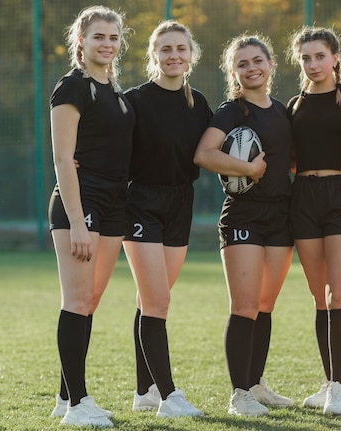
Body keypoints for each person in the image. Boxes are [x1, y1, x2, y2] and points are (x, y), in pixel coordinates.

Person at [193, 34, 294, 417]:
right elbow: (204, 154)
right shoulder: (231, 111)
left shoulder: (283, 111)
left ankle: (256, 384)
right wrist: (248, 169)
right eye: (242, 63)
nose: (251, 68)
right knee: (245, 305)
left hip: (281, 216)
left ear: (271, 65)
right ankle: (239, 394)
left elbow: (292, 161)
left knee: (265, 306)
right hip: (243, 216)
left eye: (257, 61)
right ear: (233, 72)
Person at [47, 6, 134, 428]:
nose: (107, 44)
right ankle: (79, 405)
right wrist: (77, 220)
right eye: (99, 36)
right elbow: (63, 159)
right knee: (77, 301)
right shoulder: (72, 87)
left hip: (116, 205)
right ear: (80, 41)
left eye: (114, 37)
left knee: (90, 302)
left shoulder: (116, 93)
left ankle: (66, 399)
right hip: (81, 204)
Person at [122, 20, 211, 418]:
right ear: (153, 55)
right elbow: (108, 143)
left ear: (191, 55)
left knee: (149, 300)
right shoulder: (135, 100)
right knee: (158, 301)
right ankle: (170, 396)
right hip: (140, 201)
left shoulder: (200, 104)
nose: (174, 56)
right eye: (165, 49)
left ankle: (145, 392)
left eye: (181, 49)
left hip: (181, 203)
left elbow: (214, 151)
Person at [285, 27, 341, 415]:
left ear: (335, 57)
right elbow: (289, 160)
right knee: (319, 297)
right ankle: (328, 381)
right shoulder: (293, 105)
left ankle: (339, 387)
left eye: (319, 56)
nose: (313, 64)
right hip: (303, 198)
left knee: (340, 294)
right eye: (306, 58)